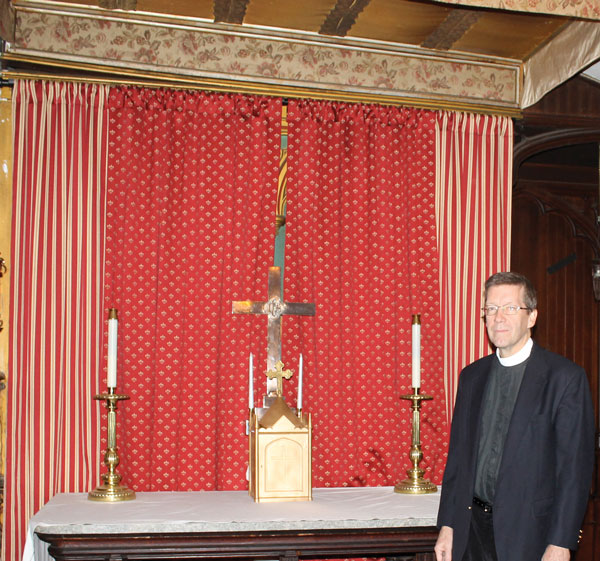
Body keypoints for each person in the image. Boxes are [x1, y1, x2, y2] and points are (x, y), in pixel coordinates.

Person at [435, 272, 595, 561]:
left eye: (510, 308)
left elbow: (574, 471)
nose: (498, 317)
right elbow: (457, 460)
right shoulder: (471, 377)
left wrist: (560, 542)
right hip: (470, 531)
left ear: (531, 316)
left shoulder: (565, 379)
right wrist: (447, 525)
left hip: (530, 535)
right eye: (491, 309)